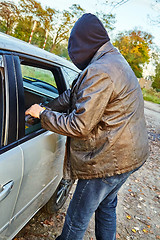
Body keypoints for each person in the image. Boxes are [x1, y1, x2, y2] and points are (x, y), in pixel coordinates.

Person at [25, 13, 149, 240]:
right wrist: (44, 108)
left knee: (76, 218)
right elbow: (72, 95)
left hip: (108, 160)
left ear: (84, 43)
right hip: (130, 155)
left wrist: (43, 115)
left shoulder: (100, 71)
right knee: (107, 206)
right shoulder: (111, 60)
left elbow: (79, 125)